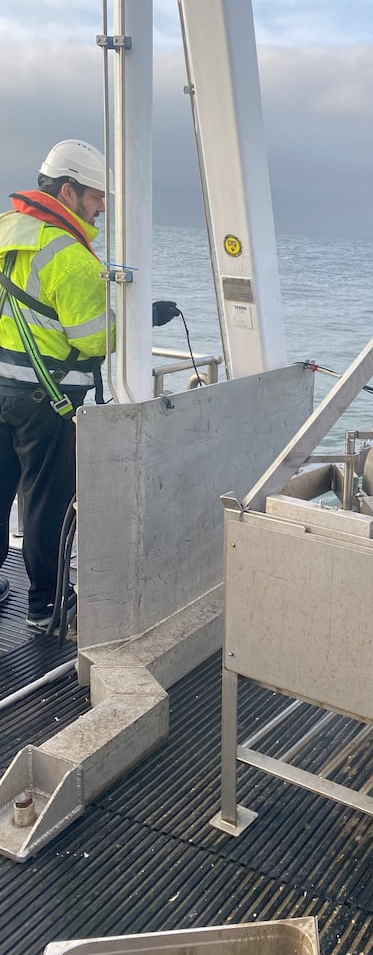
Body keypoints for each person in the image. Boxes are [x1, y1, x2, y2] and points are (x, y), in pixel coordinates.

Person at [0, 139, 179, 630]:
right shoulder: (72, 257)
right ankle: (47, 607)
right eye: (96, 196)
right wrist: (142, 319)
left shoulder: (6, 230)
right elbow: (95, 340)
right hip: (47, 402)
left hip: (2, 388)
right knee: (46, 501)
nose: (102, 207)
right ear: (67, 190)